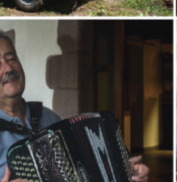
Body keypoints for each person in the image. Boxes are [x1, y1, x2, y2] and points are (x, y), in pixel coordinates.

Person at [0, 32, 149, 182]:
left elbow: (84, 164)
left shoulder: (47, 117)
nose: (8, 68)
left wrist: (124, 168)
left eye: (11, 59)